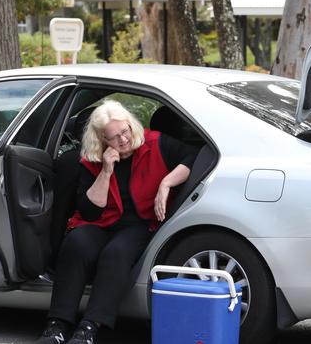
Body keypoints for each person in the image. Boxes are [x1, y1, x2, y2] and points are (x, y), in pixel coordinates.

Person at [36, 101, 197, 344]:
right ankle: (57, 325)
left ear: (131, 125)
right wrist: (106, 171)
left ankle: (89, 327)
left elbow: (191, 156)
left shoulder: (156, 143)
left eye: (126, 131)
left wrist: (166, 183)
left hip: (139, 223)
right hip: (101, 222)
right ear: (101, 139)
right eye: (114, 137)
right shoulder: (92, 160)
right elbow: (89, 212)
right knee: (76, 244)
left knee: (116, 253)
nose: (124, 140)